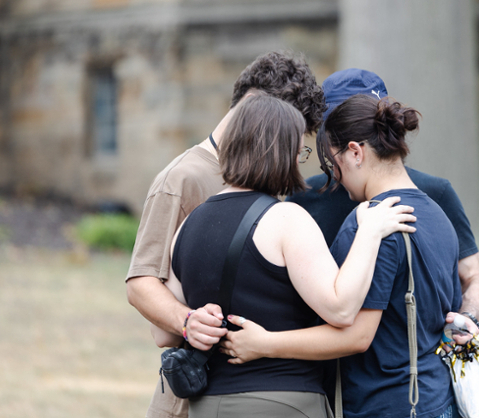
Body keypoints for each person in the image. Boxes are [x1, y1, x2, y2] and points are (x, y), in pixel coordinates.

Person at [163, 93, 417, 417]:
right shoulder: (286, 219)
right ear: (280, 152)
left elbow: (163, 332)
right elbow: (340, 310)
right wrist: (370, 232)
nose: (300, 160)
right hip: (283, 401)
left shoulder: (187, 224)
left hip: (205, 405)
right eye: (300, 150)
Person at [221, 94, 469, 418]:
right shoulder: (438, 215)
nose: (333, 177)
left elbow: (356, 336)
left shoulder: (372, 222)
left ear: (355, 152)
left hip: (386, 405)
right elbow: (449, 315)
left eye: (331, 164)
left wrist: (265, 343)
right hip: (438, 401)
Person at [125, 51, 327, 418]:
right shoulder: (182, 178)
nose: (296, 152)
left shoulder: (262, 176)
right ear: (258, 110)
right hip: (191, 401)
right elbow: (141, 282)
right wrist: (186, 321)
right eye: (290, 132)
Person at [288, 69, 479, 342]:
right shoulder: (304, 197)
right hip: (325, 369)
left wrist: (468, 319)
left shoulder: (434, 194)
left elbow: (475, 278)